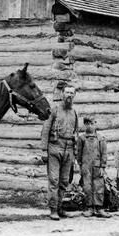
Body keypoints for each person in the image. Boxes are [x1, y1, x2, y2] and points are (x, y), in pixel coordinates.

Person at [40, 81, 78, 220]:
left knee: (64, 181)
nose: (69, 95)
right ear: (62, 94)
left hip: (69, 149)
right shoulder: (54, 110)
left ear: (74, 95)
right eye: (67, 92)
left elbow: (76, 132)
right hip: (55, 147)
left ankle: (60, 207)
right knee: (54, 180)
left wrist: (75, 153)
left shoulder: (74, 112)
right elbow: (45, 130)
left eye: (71, 93)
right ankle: (53, 209)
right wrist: (44, 150)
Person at [76, 116, 110, 218]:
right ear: (85, 125)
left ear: (95, 124)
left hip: (97, 166)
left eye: (92, 123)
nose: (90, 126)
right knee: (87, 187)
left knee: (99, 186)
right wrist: (80, 166)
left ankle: (99, 208)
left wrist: (102, 167)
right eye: (87, 124)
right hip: (86, 167)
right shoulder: (81, 139)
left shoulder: (101, 139)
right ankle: (90, 208)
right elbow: (79, 153)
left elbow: (104, 153)